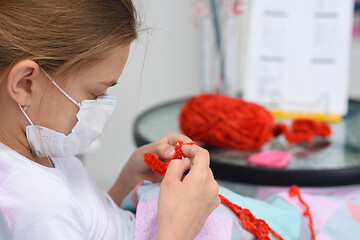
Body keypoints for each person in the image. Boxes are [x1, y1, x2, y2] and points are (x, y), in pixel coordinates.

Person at [0, 1, 220, 239]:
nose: (101, 105)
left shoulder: (37, 142)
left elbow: (87, 225)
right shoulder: (37, 205)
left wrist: (128, 179)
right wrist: (179, 228)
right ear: (25, 83)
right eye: (95, 94)